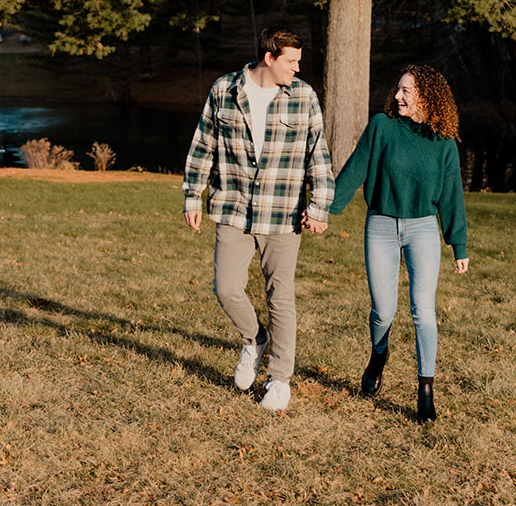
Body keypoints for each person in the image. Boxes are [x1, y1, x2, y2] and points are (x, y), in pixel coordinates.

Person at [182, 26, 335, 412]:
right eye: (291, 61)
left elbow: (318, 155)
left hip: (282, 213)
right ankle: (254, 339)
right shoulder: (225, 90)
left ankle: (280, 379)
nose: (297, 69)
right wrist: (192, 195)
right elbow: (204, 144)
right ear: (269, 58)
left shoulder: (304, 97)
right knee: (226, 288)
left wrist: (319, 207)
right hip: (233, 207)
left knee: (279, 297)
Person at [330, 64, 469, 424]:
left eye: (406, 91)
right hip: (380, 225)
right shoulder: (382, 127)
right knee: (383, 311)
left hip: (422, 229)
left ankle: (425, 390)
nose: (397, 96)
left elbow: (452, 195)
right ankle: (379, 355)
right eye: (398, 89)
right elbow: (355, 169)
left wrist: (458, 244)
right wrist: (324, 209)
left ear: (427, 97)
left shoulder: (443, 143)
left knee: (423, 311)